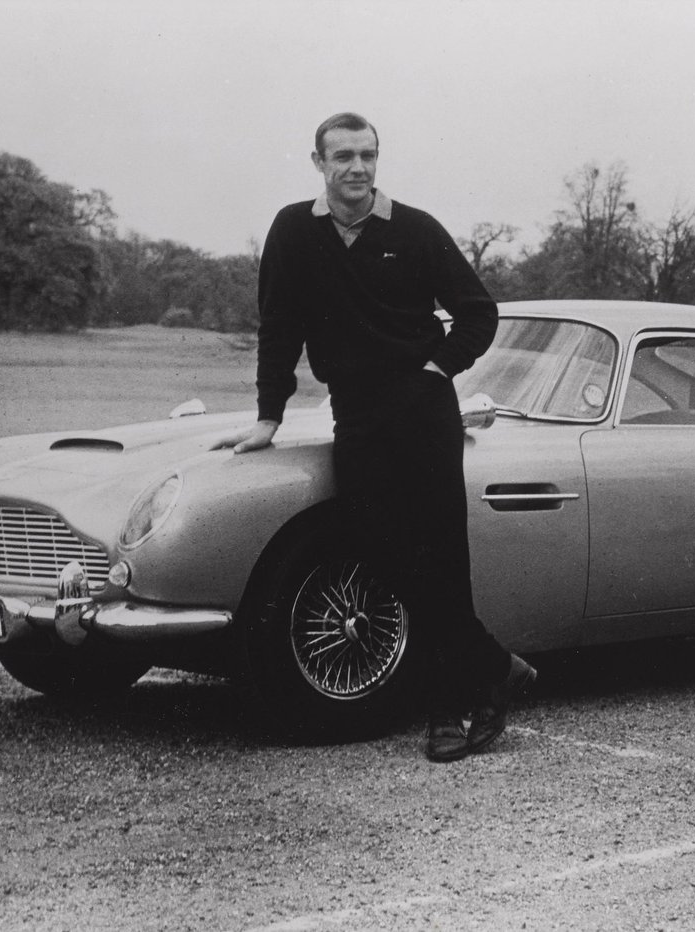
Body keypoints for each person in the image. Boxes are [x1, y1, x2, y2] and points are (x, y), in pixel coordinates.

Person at [213, 112, 535, 762]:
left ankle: (449, 709)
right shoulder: (292, 231)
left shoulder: (413, 229)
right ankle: (495, 666)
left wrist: (436, 367)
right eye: (343, 156)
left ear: (377, 159)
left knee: (440, 558)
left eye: (367, 155)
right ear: (318, 162)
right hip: (355, 413)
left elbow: (479, 312)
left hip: (422, 410)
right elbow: (279, 326)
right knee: (380, 550)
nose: (356, 168)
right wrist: (268, 416)